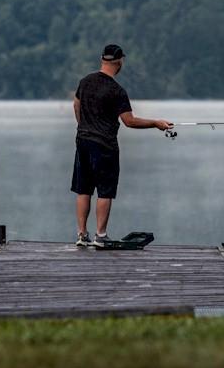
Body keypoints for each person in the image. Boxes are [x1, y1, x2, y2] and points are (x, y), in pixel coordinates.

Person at [71, 43, 173, 248]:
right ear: (119, 62)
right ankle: (100, 236)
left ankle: (82, 235)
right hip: (105, 146)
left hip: (83, 141)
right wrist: (155, 123)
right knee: (105, 191)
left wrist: (83, 126)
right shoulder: (117, 91)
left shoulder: (85, 82)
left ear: (102, 60)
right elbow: (129, 121)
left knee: (84, 189)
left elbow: (76, 104)